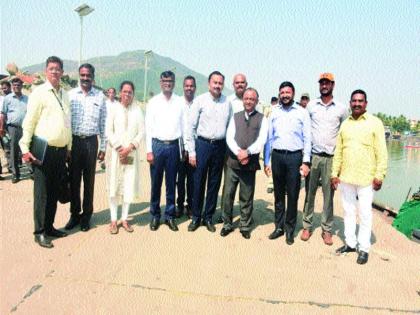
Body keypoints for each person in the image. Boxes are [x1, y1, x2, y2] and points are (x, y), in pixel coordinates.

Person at [19, 56, 72, 248]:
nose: (55, 72)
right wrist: (24, 148)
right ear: (45, 71)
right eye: (51, 69)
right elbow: (29, 122)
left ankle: (49, 227)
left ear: (62, 72)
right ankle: (39, 232)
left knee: (54, 191)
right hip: (43, 151)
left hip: (60, 152)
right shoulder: (39, 93)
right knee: (41, 193)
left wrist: (69, 147)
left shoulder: (64, 95)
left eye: (58, 69)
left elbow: (68, 124)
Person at [332, 89, 387, 264]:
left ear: (366, 103)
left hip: (366, 179)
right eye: (354, 101)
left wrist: (380, 175)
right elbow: (338, 151)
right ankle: (350, 243)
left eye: (360, 101)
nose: (357, 104)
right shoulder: (345, 124)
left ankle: (363, 248)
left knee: (364, 214)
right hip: (346, 177)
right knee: (348, 212)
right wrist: (334, 173)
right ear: (350, 103)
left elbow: (382, 152)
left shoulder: (375, 123)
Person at [301, 73, 348, 245]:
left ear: (333, 85)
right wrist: (304, 159)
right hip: (313, 156)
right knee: (309, 193)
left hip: (331, 159)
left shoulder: (342, 109)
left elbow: (344, 134)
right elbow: (305, 132)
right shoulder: (311, 106)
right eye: (322, 83)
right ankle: (307, 225)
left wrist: (341, 163)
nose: (324, 86)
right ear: (319, 85)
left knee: (329, 196)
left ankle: (327, 230)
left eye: (327, 83)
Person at [264, 81, 311, 245]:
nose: (285, 95)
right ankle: (279, 227)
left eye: (287, 92)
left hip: (294, 158)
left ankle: (290, 230)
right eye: (282, 92)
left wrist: (306, 162)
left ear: (293, 93)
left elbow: (307, 139)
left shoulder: (302, 112)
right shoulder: (274, 112)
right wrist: (267, 160)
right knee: (278, 194)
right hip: (277, 156)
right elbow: (269, 138)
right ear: (279, 94)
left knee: (292, 194)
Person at [186, 71, 232, 232]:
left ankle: (208, 217)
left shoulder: (227, 102)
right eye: (215, 82)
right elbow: (190, 127)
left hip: (219, 146)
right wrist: (191, 151)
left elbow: (230, 127)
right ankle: (196, 217)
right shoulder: (200, 101)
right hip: (202, 145)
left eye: (220, 83)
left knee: (214, 183)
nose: (218, 86)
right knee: (198, 182)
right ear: (209, 83)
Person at [221, 88, 268, 239]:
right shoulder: (235, 117)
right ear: (243, 100)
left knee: (246, 196)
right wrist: (239, 153)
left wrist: (247, 153)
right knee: (228, 194)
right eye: (246, 98)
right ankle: (227, 224)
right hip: (232, 163)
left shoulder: (262, 119)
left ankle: (245, 225)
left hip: (250, 164)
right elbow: (229, 137)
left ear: (256, 100)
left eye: (252, 99)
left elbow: (262, 140)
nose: (248, 101)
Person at [65, 63, 106, 232]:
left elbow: (103, 123)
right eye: (82, 75)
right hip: (74, 142)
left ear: (92, 77)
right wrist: (67, 146)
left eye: (88, 75)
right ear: (79, 76)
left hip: (91, 142)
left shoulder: (100, 97)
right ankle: (75, 215)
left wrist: (103, 146)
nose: (85, 78)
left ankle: (86, 216)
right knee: (74, 181)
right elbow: (66, 122)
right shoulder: (70, 95)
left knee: (89, 181)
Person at [145, 70, 184, 232]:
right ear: (160, 82)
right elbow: (148, 127)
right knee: (156, 182)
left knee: (171, 183)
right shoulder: (153, 102)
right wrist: (149, 150)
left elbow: (184, 126)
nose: (167, 83)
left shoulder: (179, 102)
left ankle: (169, 216)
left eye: (170, 80)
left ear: (174, 83)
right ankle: (155, 215)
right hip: (157, 145)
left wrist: (184, 150)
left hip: (174, 146)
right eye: (164, 80)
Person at [106, 81, 144, 234]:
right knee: (114, 186)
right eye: (125, 91)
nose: (127, 94)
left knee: (128, 186)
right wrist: (119, 147)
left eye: (130, 92)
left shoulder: (137, 110)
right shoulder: (114, 108)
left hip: (131, 153)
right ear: (120, 93)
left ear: (133, 94)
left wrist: (130, 147)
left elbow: (142, 131)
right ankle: (113, 220)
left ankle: (125, 219)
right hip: (116, 153)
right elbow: (108, 130)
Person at [0, 78, 28, 183]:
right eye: (14, 85)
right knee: (14, 151)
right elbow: (3, 114)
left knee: (26, 149)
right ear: (12, 86)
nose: (16, 86)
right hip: (13, 128)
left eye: (18, 85)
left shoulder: (27, 98)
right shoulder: (7, 99)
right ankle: (15, 175)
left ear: (22, 86)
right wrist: (2, 128)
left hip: (25, 128)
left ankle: (31, 171)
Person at [176, 75, 196, 218]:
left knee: (192, 179)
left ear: (195, 88)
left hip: (194, 149)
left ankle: (190, 206)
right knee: (179, 179)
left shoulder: (198, 103)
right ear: (183, 87)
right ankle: (179, 205)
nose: (189, 88)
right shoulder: (177, 103)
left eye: (191, 86)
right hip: (179, 148)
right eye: (187, 85)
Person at [100, 87, 118, 170]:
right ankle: (102, 160)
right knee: (104, 145)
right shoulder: (105, 103)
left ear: (115, 94)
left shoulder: (117, 104)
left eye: (112, 92)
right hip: (105, 127)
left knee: (112, 145)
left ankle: (112, 161)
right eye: (109, 92)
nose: (111, 94)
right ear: (107, 94)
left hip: (114, 128)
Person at [0, 81, 12, 179]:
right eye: (2, 88)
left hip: (4, 128)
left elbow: (4, 114)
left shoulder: (4, 99)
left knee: (7, 148)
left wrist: (2, 127)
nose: (3, 90)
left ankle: (10, 167)